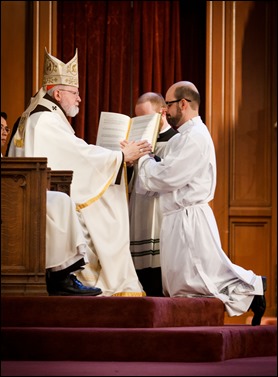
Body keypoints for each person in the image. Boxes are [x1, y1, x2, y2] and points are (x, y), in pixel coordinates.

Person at [8, 48, 152, 297]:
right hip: (36, 201)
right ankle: (84, 276)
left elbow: (76, 153)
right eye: (74, 93)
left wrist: (116, 159)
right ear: (59, 92)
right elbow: (77, 156)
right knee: (97, 211)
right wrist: (119, 157)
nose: (79, 99)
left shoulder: (42, 114)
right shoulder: (44, 120)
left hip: (35, 193)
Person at [135, 81, 267, 325]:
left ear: (183, 104)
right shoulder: (182, 137)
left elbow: (167, 176)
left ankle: (253, 288)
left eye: (168, 105)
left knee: (199, 280)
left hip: (189, 218)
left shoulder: (195, 137)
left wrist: (142, 159)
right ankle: (251, 291)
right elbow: (165, 172)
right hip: (176, 217)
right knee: (183, 283)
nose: (165, 111)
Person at [2, 111, 102, 296]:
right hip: (10, 203)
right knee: (55, 205)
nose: (4, 133)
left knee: (60, 201)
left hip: (15, 199)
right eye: (0, 128)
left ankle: (62, 272)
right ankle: (60, 276)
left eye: (6, 128)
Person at [128, 92, 177, 296]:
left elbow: (171, 176)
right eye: (138, 119)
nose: (142, 124)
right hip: (138, 208)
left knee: (158, 269)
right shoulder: (136, 142)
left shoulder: (177, 140)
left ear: (162, 113)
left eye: (147, 118)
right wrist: (128, 163)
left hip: (160, 210)